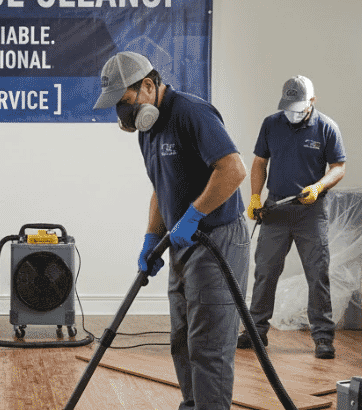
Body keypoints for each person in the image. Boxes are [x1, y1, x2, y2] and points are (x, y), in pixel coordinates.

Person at [94, 51, 249, 410]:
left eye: (125, 102)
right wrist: (151, 238)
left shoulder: (192, 112)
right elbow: (160, 187)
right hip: (182, 240)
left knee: (208, 343)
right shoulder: (146, 132)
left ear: (148, 86)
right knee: (181, 338)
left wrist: (194, 215)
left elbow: (233, 169)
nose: (123, 114)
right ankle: (193, 405)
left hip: (217, 241)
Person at [237, 75, 346, 359]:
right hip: (275, 209)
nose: (293, 113)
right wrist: (255, 197)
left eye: (299, 107)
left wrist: (319, 186)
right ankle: (255, 332)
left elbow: (338, 167)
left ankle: (323, 338)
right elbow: (260, 162)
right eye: (289, 107)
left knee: (317, 274)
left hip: (311, 212)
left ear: (312, 101)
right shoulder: (271, 124)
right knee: (265, 272)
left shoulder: (326, 128)